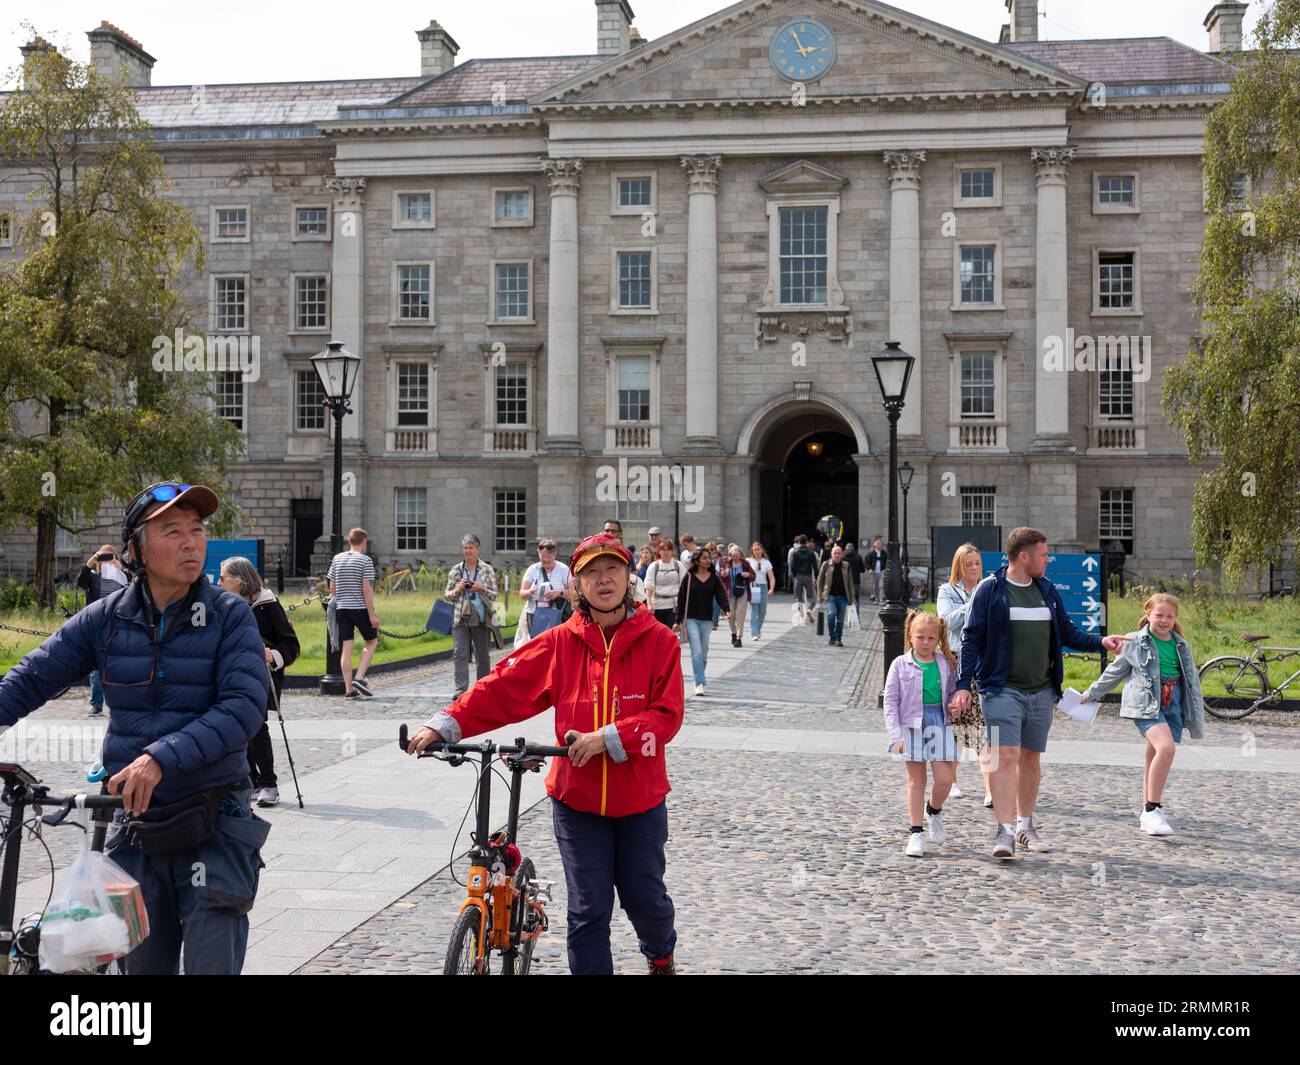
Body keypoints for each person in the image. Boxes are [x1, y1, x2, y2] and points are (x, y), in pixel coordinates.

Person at [0, 481, 270, 974]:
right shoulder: (106, 618)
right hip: (135, 821)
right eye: (173, 531)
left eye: (197, 530)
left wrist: (160, 758)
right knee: (139, 969)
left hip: (215, 814)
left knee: (211, 964)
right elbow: (33, 676)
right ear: (135, 550)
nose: (191, 542)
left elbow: (243, 709)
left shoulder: (230, 616)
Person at [407, 534, 682, 976]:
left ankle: (661, 956)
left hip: (640, 799)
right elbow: (502, 687)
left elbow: (666, 717)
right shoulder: (560, 642)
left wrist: (608, 737)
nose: (603, 579)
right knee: (588, 910)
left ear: (629, 578)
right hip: (577, 800)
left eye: (612, 569)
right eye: (591, 571)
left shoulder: (659, 641)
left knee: (644, 898)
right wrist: (445, 723)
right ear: (576, 585)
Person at [950, 528, 1128, 859]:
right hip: (1001, 689)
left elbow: (1067, 632)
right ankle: (1003, 831)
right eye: (1044, 555)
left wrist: (1100, 641)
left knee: (1031, 757)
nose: (1048, 560)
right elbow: (970, 639)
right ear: (1024, 556)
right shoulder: (990, 591)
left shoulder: (1046, 590)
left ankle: (1024, 826)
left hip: (1043, 690)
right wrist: (963, 686)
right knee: (1006, 755)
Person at [1080, 593, 1205, 836]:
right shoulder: (1134, 642)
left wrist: (1194, 711)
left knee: (1154, 753)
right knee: (1166, 749)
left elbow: (1191, 682)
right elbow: (1113, 673)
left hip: (1173, 703)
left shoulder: (1181, 644)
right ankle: (1153, 809)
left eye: (1170, 616)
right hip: (1146, 703)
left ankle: (1146, 810)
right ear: (1147, 614)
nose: (1164, 620)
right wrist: (1090, 694)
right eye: (1159, 615)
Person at [219, 556, 299, 808]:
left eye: (223, 578)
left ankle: (268, 783)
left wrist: (272, 655)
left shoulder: (268, 606)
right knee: (240, 728)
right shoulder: (224, 604)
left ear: (239, 580)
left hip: (260, 675)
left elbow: (291, 645)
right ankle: (251, 779)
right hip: (232, 673)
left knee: (256, 725)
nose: (218, 582)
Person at [884, 611, 959, 857]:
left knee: (945, 778)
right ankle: (916, 832)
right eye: (920, 637)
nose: (925, 642)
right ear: (909, 636)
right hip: (911, 725)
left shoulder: (945, 664)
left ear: (938, 639)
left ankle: (934, 810)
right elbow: (891, 702)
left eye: (930, 638)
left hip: (938, 721)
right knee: (916, 780)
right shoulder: (899, 664)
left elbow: (950, 694)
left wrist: (953, 705)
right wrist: (895, 736)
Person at [937, 543, 986, 803]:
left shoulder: (987, 588)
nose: (974, 568)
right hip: (956, 659)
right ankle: (952, 779)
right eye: (969, 564)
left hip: (983, 661)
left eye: (977, 563)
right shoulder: (948, 591)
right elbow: (946, 623)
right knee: (955, 720)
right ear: (959, 566)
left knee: (985, 724)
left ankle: (990, 788)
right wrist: (975, 603)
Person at [77, 544, 130, 715]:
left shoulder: (122, 576)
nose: (107, 560)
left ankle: (121, 702)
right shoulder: (94, 578)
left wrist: (121, 567)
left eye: (110, 556)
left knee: (121, 665)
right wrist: (91, 561)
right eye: (104, 557)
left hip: (120, 623)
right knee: (96, 668)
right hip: (98, 624)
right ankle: (96, 703)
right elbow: (81, 582)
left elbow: (134, 585)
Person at [327, 528, 378, 699]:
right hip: (360, 608)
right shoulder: (365, 560)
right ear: (363, 541)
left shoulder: (337, 559)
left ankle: (349, 689)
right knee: (371, 641)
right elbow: (367, 590)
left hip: (342, 608)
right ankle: (360, 678)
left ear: (349, 541)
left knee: (347, 649)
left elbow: (332, 587)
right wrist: (372, 615)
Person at [445, 534, 498, 699]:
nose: (467, 551)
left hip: (481, 618)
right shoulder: (456, 570)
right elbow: (448, 595)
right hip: (460, 617)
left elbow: (494, 594)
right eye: (465, 548)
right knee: (459, 653)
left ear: (477, 549)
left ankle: (482, 687)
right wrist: (459, 589)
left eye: (470, 548)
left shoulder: (486, 569)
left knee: (482, 654)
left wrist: (480, 588)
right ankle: (460, 689)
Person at [674, 546, 730, 697]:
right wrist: (677, 619)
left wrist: (727, 609)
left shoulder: (714, 577)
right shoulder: (689, 577)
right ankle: (699, 682)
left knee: (704, 654)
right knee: (697, 652)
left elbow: (720, 595)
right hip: (690, 619)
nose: (708, 560)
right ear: (697, 561)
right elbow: (681, 598)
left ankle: (697, 677)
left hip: (706, 620)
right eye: (704, 558)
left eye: (709, 558)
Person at [517, 538, 570, 645]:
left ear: (555, 554)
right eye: (542, 557)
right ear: (538, 553)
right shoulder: (533, 569)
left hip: (557, 614)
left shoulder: (563, 569)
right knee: (537, 645)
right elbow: (521, 594)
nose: (545, 560)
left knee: (555, 644)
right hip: (535, 614)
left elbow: (574, 594)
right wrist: (530, 592)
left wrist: (558, 593)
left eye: (548, 557)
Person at [816, 544, 854, 647]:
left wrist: (852, 599)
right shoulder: (826, 564)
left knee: (841, 619)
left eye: (838, 553)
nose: (837, 555)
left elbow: (850, 582)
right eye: (835, 553)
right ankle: (832, 636)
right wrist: (819, 597)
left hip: (843, 596)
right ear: (831, 554)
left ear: (841, 554)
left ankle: (838, 639)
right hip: (830, 596)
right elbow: (820, 581)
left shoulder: (846, 565)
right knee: (831, 615)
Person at [645, 539, 685, 630]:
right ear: (659, 551)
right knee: (657, 633)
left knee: (670, 633)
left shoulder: (678, 565)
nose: (666, 552)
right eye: (663, 550)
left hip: (674, 605)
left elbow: (684, 586)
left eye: (669, 549)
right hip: (657, 606)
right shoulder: (654, 566)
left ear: (672, 551)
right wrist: (649, 604)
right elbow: (649, 587)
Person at [724, 544, 756, 648]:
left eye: (737, 554)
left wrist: (748, 575)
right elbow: (721, 577)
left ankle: (738, 637)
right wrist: (723, 574)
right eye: (733, 555)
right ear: (730, 555)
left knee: (740, 615)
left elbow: (753, 576)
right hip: (731, 592)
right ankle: (733, 632)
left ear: (740, 554)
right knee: (730, 615)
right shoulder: (727, 564)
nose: (735, 557)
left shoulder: (745, 564)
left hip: (743, 591)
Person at [747, 541, 775, 640]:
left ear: (762, 550)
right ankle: (754, 633)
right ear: (752, 551)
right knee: (753, 611)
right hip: (753, 586)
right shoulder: (749, 561)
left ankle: (757, 630)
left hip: (763, 587)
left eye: (758, 549)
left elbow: (771, 577)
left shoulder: (766, 562)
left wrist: (771, 589)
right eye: (754, 550)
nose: (756, 551)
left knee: (762, 611)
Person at [789, 536, 817, 610]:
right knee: (810, 596)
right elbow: (815, 566)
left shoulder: (795, 553)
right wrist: (816, 577)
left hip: (798, 576)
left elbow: (792, 565)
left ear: (799, 542)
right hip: (808, 576)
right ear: (806, 542)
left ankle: (800, 610)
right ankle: (809, 609)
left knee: (798, 596)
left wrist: (794, 575)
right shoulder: (811, 553)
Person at [863, 535, 887, 607]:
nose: (879, 545)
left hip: (882, 571)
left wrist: (886, 568)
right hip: (874, 572)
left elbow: (887, 561)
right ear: (875, 545)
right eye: (878, 544)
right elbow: (866, 562)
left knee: (881, 586)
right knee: (875, 586)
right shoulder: (871, 553)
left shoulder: (884, 553)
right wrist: (869, 569)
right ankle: (876, 598)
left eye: (881, 544)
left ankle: (881, 600)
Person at [843, 540, 864, 613]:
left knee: (846, 599)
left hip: (845, 582)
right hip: (856, 581)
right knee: (856, 599)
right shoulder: (858, 557)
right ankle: (856, 614)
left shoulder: (843, 557)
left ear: (846, 548)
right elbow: (863, 570)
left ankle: (849, 614)